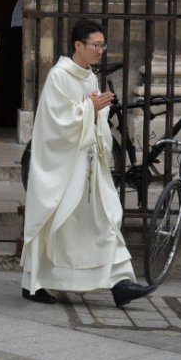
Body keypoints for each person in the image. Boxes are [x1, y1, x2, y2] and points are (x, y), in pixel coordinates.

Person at [21, 20, 151, 306]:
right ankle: (36, 282)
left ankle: (120, 282)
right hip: (64, 168)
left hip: (89, 163)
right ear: (78, 45)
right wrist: (89, 109)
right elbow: (55, 124)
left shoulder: (90, 77)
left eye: (103, 45)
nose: (101, 50)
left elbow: (92, 116)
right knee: (59, 223)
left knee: (107, 218)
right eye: (96, 45)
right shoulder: (59, 76)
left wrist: (96, 113)